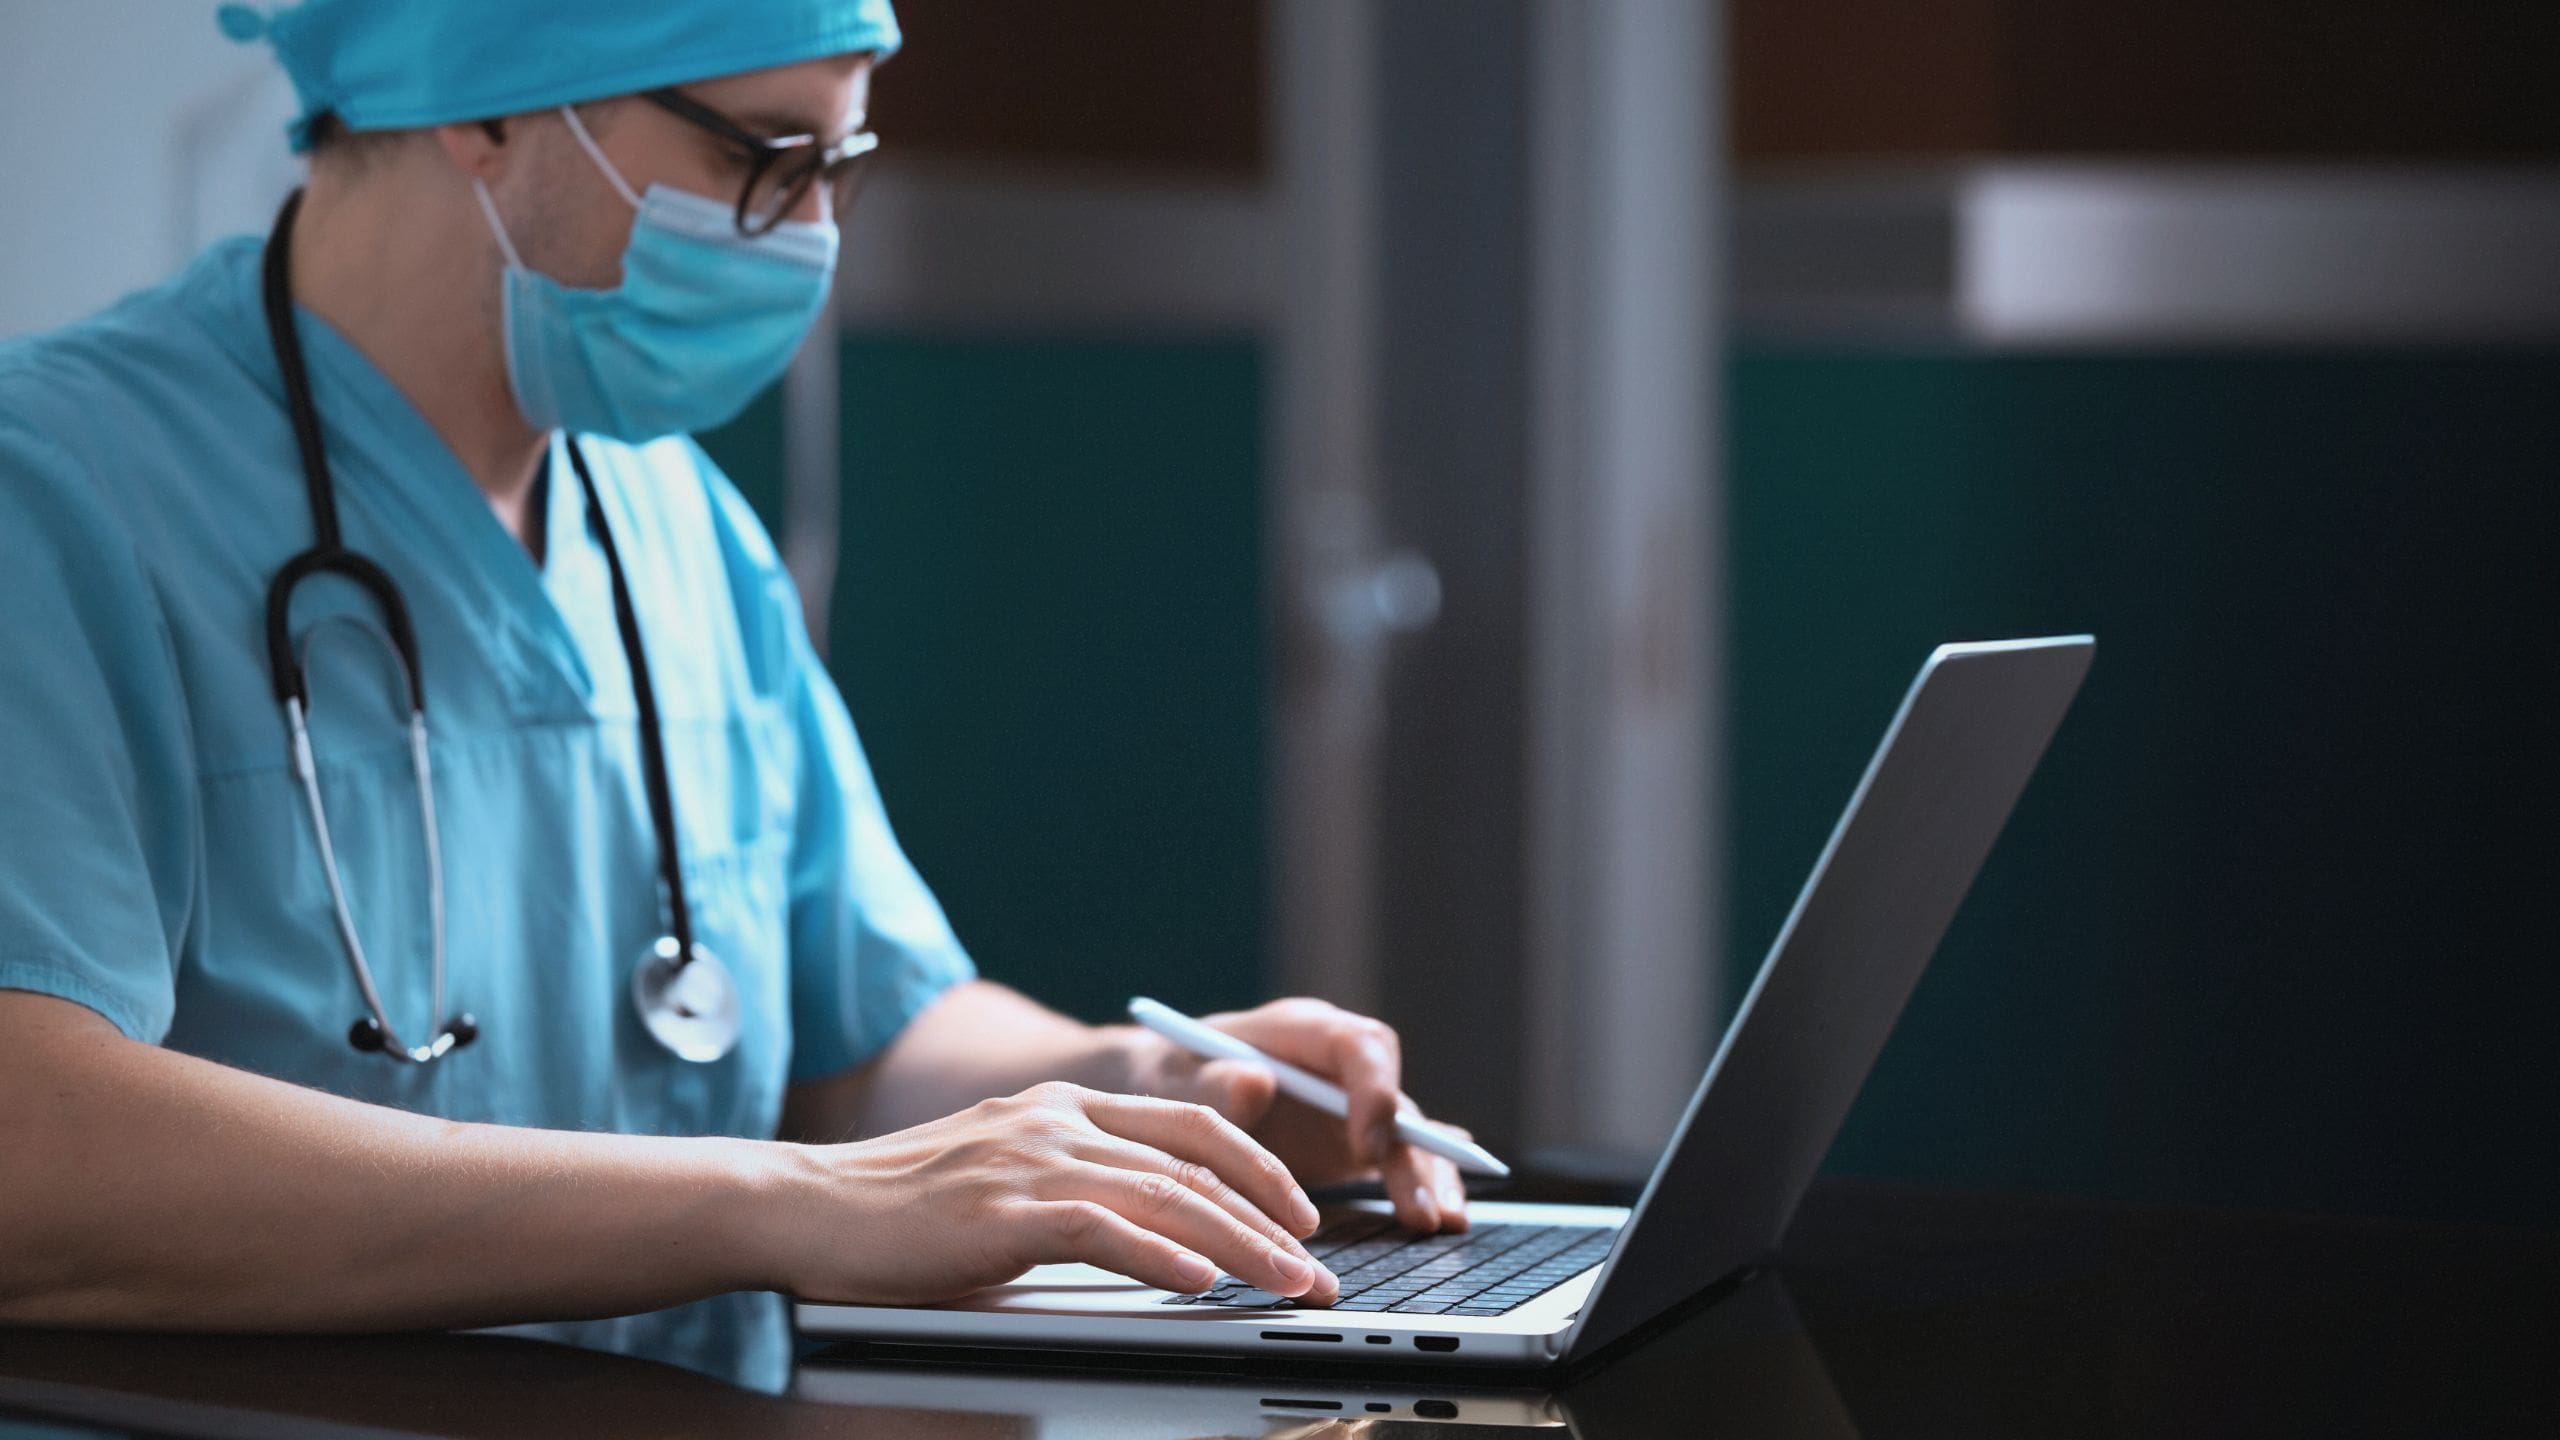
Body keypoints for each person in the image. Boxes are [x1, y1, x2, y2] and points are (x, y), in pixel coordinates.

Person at [0, 0, 1468, 1339]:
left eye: (839, 166)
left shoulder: (676, 522)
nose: (811, 233)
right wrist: (784, 1202)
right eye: (766, 158)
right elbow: (32, 1151)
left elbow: (860, 1037)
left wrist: (1138, 1092)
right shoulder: (59, 498)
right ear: (487, 106)